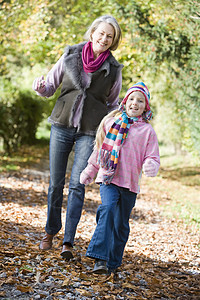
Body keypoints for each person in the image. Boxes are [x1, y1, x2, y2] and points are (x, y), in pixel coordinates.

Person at [32, 15, 123, 260]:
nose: (104, 39)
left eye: (109, 36)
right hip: (61, 125)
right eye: (101, 33)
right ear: (92, 32)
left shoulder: (114, 70)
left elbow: (113, 104)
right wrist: (40, 86)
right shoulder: (70, 55)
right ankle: (50, 232)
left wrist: (113, 127)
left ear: (113, 41)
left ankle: (68, 241)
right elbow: (49, 88)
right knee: (55, 184)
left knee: (78, 185)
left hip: (90, 132)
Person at [80, 82, 160, 274]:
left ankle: (113, 262)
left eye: (140, 100)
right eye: (132, 98)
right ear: (124, 102)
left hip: (130, 183)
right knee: (107, 209)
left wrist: (150, 165)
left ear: (145, 107)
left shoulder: (147, 131)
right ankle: (99, 258)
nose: (135, 103)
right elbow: (100, 151)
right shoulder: (111, 123)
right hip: (109, 178)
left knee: (121, 224)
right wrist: (90, 170)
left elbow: (152, 156)